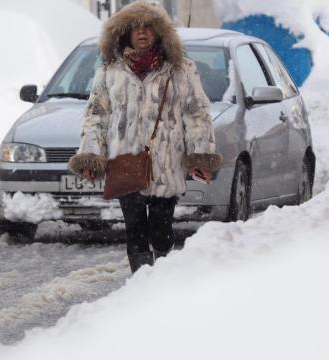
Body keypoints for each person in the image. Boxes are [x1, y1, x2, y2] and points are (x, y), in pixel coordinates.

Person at [69, 1, 222, 273]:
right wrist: (91, 156)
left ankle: (162, 281)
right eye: (135, 28)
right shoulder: (109, 71)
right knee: (135, 230)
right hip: (126, 161)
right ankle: (140, 289)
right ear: (124, 34)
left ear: (159, 32)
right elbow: (96, 115)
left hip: (166, 163)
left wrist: (200, 156)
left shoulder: (180, 69)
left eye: (148, 27)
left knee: (161, 229)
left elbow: (196, 113)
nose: (142, 33)